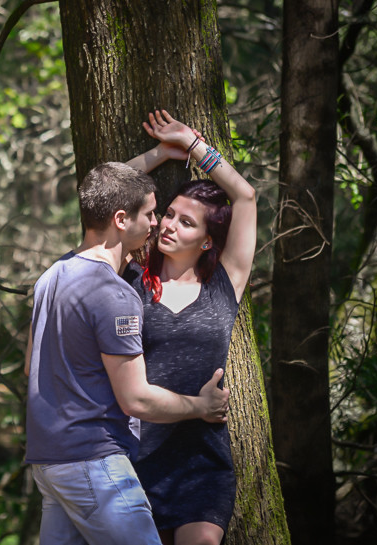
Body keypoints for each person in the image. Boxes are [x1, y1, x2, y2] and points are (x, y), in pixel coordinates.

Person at [23, 160, 231, 545]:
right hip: (93, 462)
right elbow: (136, 399)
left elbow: (29, 367)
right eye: (151, 214)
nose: (156, 223)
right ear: (121, 219)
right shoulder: (114, 293)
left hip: (48, 464)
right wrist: (200, 407)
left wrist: (155, 154)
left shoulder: (52, 276)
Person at [123, 109, 257, 545]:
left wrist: (194, 144)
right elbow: (105, 192)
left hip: (202, 464)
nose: (168, 224)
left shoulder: (225, 285)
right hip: (135, 463)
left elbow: (246, 197)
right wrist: (161, 153)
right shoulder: (131, 279)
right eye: (169, 213)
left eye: (186, 221)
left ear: (207, 241)